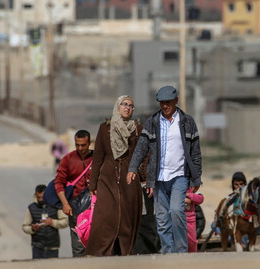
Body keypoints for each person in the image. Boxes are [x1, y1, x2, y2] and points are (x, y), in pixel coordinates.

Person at [127, 85, 202, 254]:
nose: (165, 106)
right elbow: (141, 147)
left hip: (180, 176)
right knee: (161, 219)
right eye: (162, 103)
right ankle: (169, 253)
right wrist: (133, 167)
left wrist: (196, 177)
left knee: (176, 211)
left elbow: (195, 151)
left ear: (176, 101)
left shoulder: (187, 122)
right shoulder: (152, 122)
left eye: (168, 102)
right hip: (159, 177)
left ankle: (181, 251)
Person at [87, 95, 143, 256]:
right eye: (124, 104)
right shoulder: (105, 128)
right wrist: (93, 185)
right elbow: (98, 157)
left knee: (126, 218)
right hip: (107, 178)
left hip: (129, 180)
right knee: (105, 216)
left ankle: (125, 252)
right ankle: (99, 253)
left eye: (131, 106)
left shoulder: (138, 130)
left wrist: (141, 175)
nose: (127, 108)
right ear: (118, 106)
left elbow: (145, 155)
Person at [54, 129, 93, 257]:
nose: (80, 148)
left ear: (89, 143)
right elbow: (59, 183)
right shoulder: (68, 160)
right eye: (77, 145)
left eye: (83, 145)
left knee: (97, 246)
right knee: (78, 248)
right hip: (76, 210)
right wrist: (65, 204)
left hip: (96, 209)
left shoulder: (97, 158)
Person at [22, 184, 68, 259]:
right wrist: (33, 229)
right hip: (37, 246)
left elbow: (65, 222)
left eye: (42, 197)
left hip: (53, 246)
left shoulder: (56, 206)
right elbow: (25, 226)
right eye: (38, 197)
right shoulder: (31, 208)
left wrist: (52, 222)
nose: (40, 199)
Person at [185, 187, 204, 252]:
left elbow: (200, 199)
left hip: (191, 223)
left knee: (192, 243)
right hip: (178, 221)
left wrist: (188, 195)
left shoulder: (194, 194)